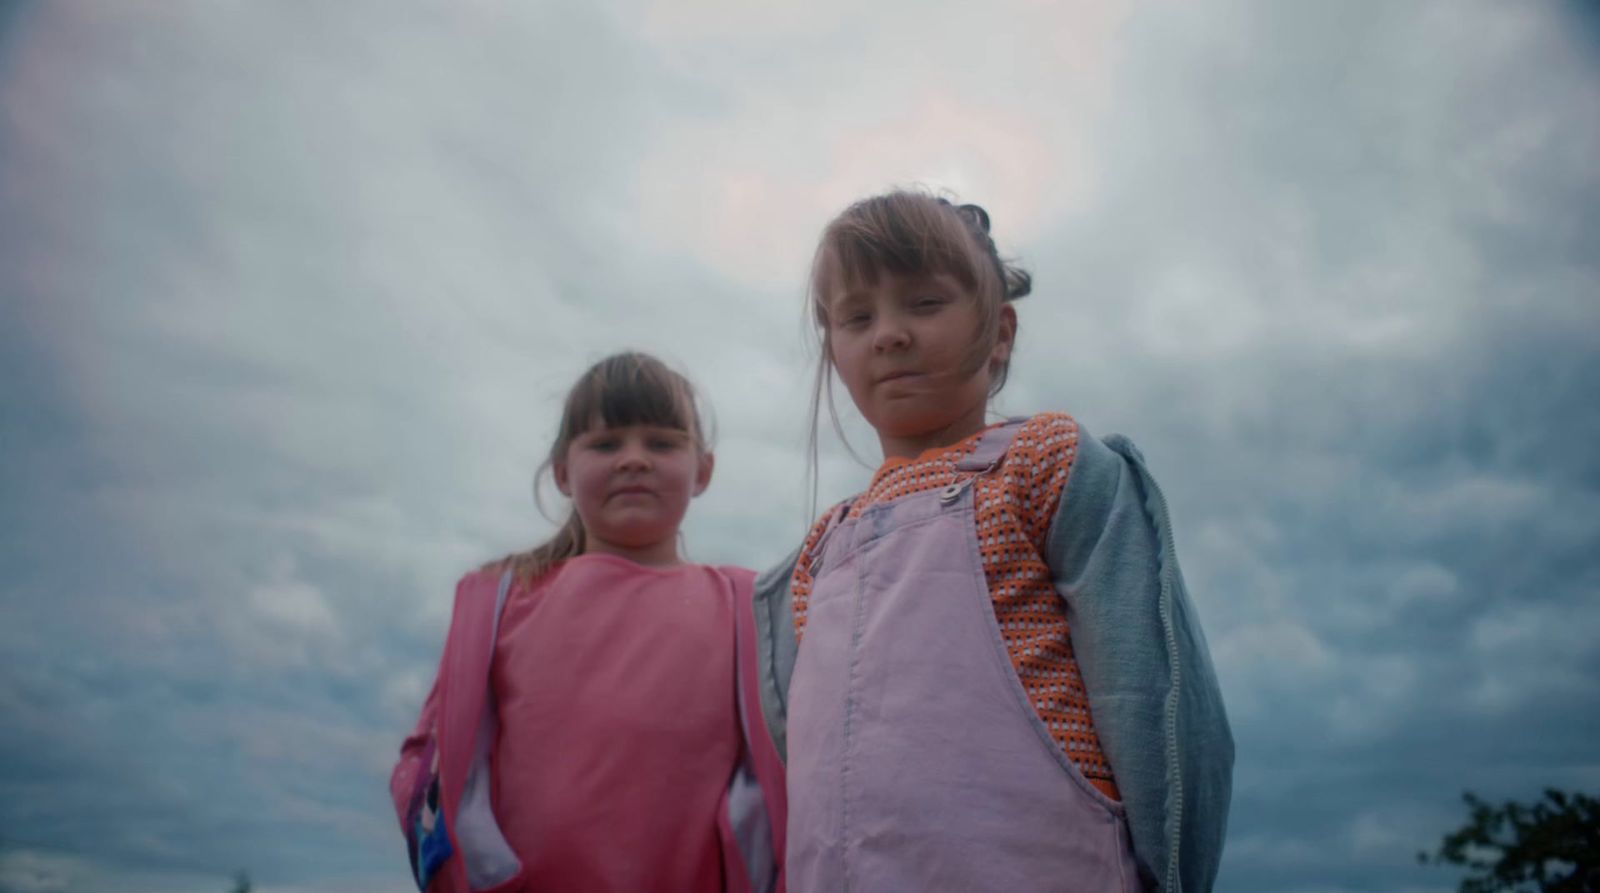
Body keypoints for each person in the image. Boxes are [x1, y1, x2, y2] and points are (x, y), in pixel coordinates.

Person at [749, 191, 1233, 892]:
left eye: (924, 303)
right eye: (857, 316)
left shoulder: (1044, 464)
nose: (888, 333)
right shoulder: (818, 555)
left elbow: (1156, 697)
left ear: (999, 332)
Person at [391, 351, 786, 893]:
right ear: (561, 472)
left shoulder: (752, 605)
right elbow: (429, 760)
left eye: (662, 443)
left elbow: (793, 767)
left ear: (704, 471)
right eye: (605, 443)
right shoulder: (504, 601)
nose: (634, 459)